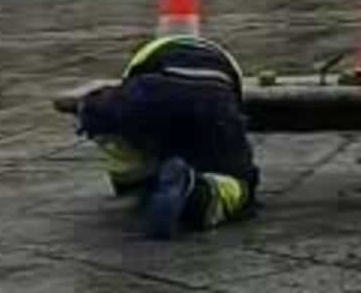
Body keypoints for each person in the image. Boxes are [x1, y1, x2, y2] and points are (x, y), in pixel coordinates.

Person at [75, 36, 259, 239]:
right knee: (240, 186)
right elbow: (236, 104)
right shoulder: (226, 61)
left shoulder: (146, 56)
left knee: (100, 115)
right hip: (214, 101)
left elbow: (129, 97)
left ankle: (135, 182)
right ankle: (198, 192)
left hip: (151, 92)